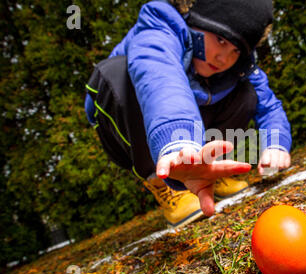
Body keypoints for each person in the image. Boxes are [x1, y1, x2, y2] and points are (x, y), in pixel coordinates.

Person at [84, 0, 292, 228]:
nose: (224, 58)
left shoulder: (238, 65)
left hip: (190, 126)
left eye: (236, 50)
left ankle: (208, 170)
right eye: (220, 40)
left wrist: (276, 145)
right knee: (119, 73)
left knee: (247, 91)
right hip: (127, 124)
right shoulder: (159, 27)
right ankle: (163, 180)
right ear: (193, 19)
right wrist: (178, 145)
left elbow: (269, 105)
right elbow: (160, 79)